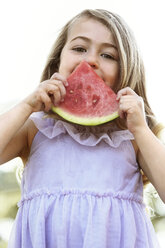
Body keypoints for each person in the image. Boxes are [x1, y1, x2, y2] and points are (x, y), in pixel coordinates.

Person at [0, 8, 164, 248]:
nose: (90, 61)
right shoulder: (35, 129)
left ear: (126, 70)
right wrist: (27, 105)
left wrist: (141, 130)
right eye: (79, 49)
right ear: (58, 61)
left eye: (108, 55)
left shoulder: (132, 139)